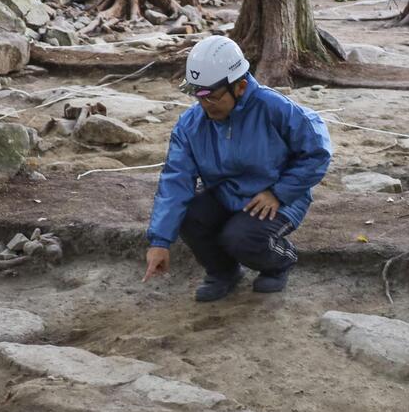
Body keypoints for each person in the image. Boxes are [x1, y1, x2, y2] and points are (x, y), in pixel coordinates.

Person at [142, 36, 332, 302]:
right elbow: (176, 180)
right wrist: (160, 242)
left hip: (280, 197)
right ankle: (224, 272)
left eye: (212, 96)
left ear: (240, 87)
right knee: (188, 216)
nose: (204, 104)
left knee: (240, 238)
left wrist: (279, 192)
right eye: (197, 94)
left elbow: (317, 153)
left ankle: (280, 262)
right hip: (227, 194)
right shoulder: (190, 125)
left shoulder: (275, 108)